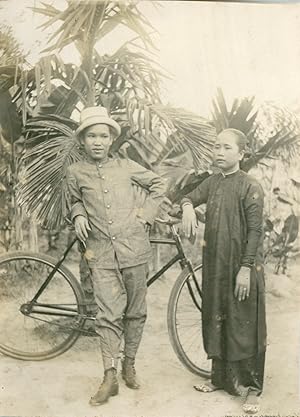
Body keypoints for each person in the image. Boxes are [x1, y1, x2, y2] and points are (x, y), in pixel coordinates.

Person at [66, 106, 166, 406]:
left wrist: (146, 215)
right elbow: (73, 200)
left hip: (134, 248)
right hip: (101, 254)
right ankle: (109, 376)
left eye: (103, 136)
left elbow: (159, 184)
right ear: (83, 140)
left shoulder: (126, 166)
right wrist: (78, 214)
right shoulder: (74, 172)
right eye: (91, 136)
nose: (98, 141)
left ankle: (129, 364)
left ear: (111, 140)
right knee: (108, 315)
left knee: (136, 311)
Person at [180, 128, 267, 414]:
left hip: (243, 264)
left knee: (245, 323)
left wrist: (245, 268)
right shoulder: (212, 182)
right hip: (216, 264)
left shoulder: (250, 186)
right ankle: (219, 379)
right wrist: (188, 208)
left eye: (226, 148)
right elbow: (189, 196)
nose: (218, 152)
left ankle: (252, 389)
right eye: (216, 147)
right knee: (215, 315)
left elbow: (255, 230)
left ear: (241, 154)